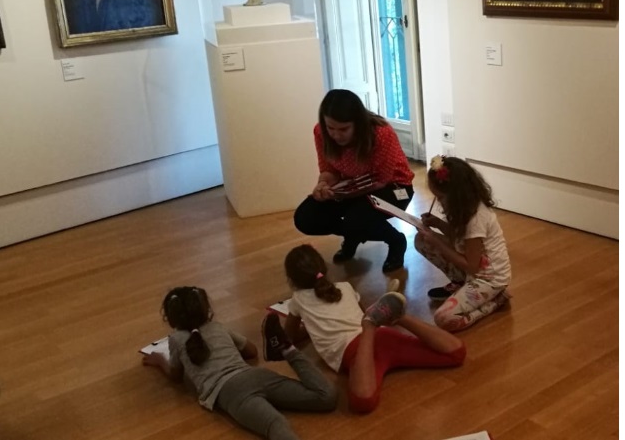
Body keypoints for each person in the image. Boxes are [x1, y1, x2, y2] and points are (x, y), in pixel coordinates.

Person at [268, 244, 466, 413]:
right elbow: (364, 314)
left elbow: (290, 337)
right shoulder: (344, 287)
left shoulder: (297, 300)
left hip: (357, 351)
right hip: (383, 336)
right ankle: (400, 317)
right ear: (323, 268)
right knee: (456, 354)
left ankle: (371, 325)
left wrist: (310, 329)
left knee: (362, 403)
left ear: (292, 280)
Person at [143, 286, 337, 440]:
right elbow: (251, 351)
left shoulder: (176, 339)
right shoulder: (217, 327)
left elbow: (176, 375)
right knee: (326, 397)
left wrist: (159, 360)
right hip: (255, 375)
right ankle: (288, 350)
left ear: (171, 318)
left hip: (231, 393)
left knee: (276, 424)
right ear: (205, 309)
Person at [293, 89, 415, 273]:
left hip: (394, 186)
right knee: (306, 217)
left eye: (343, 129)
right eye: (331, 128)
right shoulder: (320, 132)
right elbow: (329, 170)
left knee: (356, 219)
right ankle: (354, 233)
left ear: (358, 123)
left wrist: (342, 195)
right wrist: (323, 185)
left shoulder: (381, 133)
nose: (336, 135)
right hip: (352, 186)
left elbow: (381, 180)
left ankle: (395, 240)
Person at [416, 156, 512, 332]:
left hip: (488, 279)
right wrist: (438, 224)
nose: (438, 202)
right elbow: (461, 239)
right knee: (421, 239)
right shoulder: (464, 208)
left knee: (443, 318)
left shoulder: (476, 219)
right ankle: (461, 283)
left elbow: (471, 266)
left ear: (456, 196)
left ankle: (495, 301)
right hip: (473, 269)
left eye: (440, 197)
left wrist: (437, 241)